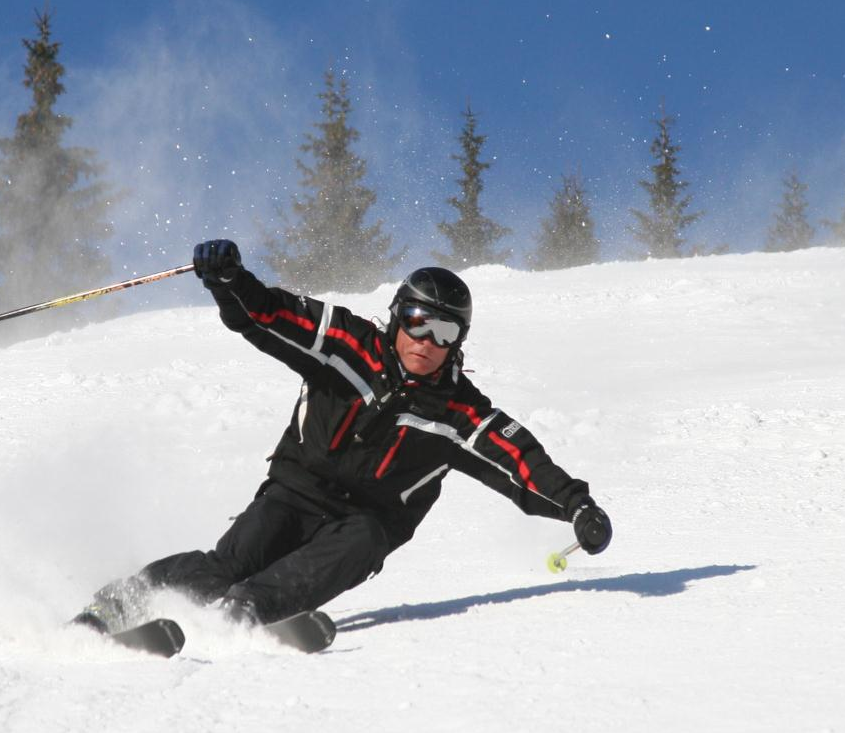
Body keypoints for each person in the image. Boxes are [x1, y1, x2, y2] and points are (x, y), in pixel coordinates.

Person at [76, 239, 612, 632]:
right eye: (418, 321)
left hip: (365, 523)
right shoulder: (349, 345)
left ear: (458, 344)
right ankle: (116, 605)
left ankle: (243, 613)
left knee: (360, 541)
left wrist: (576, 506)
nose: (426, 341)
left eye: (444, 332)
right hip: (295, 491)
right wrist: (230, 281)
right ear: (397, 317)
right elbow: (272, 316)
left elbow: (519, 458)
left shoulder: (458, 413)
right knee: (232, 561)